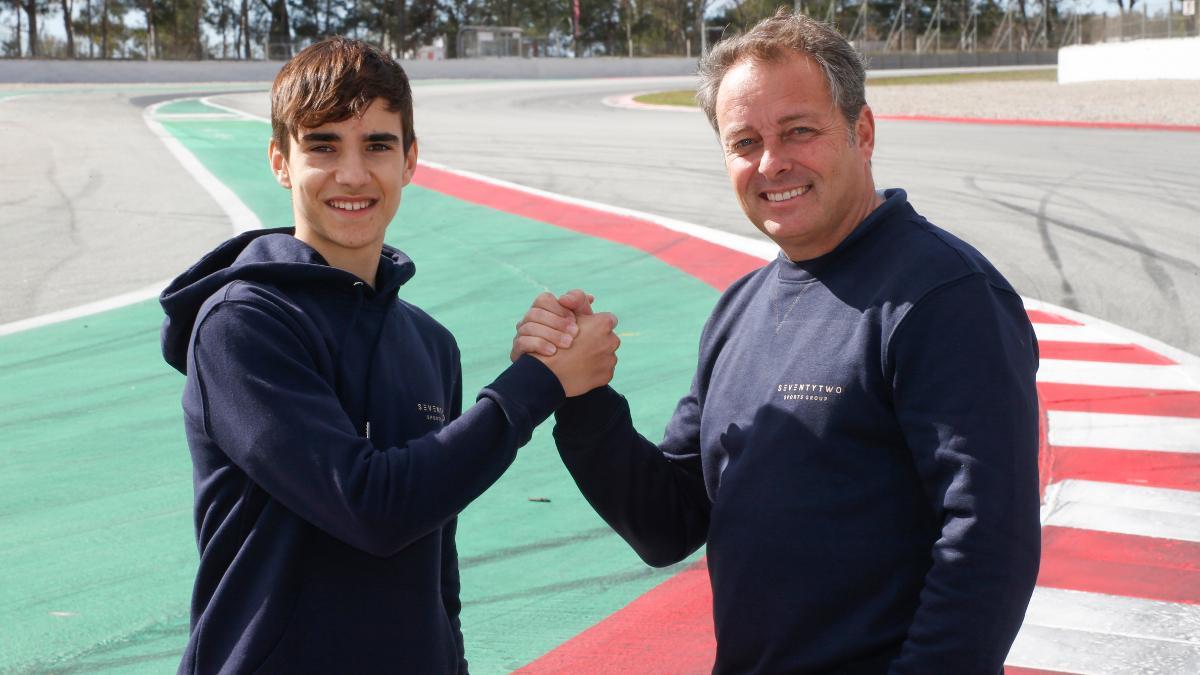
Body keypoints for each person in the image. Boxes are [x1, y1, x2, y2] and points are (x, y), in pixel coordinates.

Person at [514, 10, 1041, 673]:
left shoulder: (945, 296)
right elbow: (667, 520)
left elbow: (989, 541)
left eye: (799, 131)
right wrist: (582, 396)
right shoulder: (741, 308)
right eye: (744, 142)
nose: (772, 162)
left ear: (863, 131)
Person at [159, 38, 618, 673]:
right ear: (280, 161)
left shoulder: (431, 344)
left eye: (377, 144)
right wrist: (537, 384)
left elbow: (437, 563)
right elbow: (371, 507)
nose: (352, 174)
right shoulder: (243, 324)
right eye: (323, 145)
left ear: (410, 160)